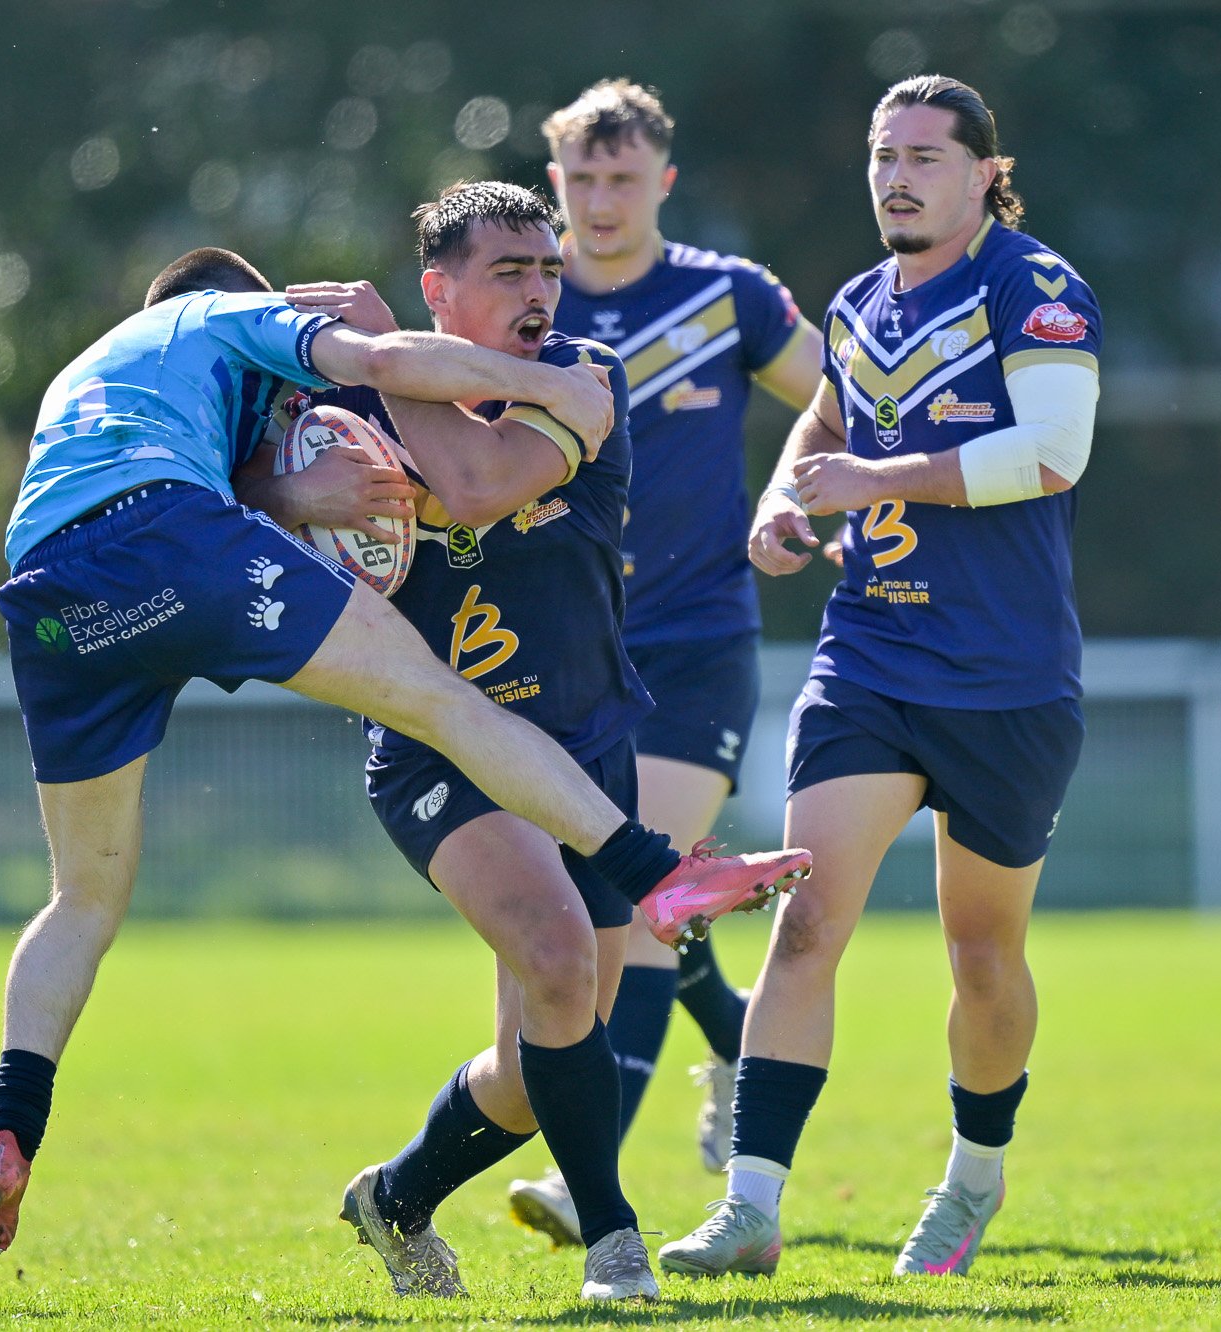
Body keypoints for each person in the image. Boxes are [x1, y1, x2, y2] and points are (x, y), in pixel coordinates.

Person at [0, 243, 812, 1264]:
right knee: (445, 702)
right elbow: (386, 362)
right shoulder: (229, 317)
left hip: (48, 586)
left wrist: (290, 498)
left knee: (82, 897)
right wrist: (544, 386)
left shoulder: (89, 372)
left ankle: (12, 1126)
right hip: (172, 535)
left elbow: (219, 474)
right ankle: (655, 875)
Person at [657, 75, 1101, 1280]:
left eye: (920, 156)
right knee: (805, 927)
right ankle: (750, 1208)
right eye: (879, 154)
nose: (894, 176)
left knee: (980, 954)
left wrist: (877, 482)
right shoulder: (859, 303)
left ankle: (970, 1179)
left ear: (978, 175)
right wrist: (780, 502)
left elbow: (1054, 452)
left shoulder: (1033, 286)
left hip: (1005, 677)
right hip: (868, 658)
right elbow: (825, 430)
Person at [497, 78, 828, 1247]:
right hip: (560, 653)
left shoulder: (723, 297)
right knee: (604, 897)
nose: (597, 201)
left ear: (661, 183)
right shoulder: (522, 310)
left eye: (620, 178)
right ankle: (735, 1044)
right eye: (579, 180)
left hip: (694, 642)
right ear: (553, 184)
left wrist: (815, 492)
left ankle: (591, 1193)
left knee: (633, 908)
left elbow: (845, 400)